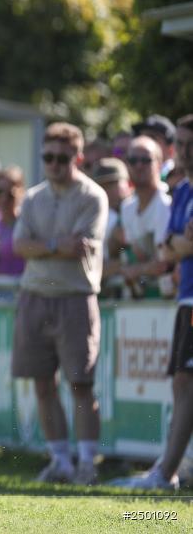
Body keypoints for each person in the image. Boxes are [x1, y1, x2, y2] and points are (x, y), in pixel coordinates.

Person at [11, 122, 108, 485]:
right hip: (34, 296)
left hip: (75, 298)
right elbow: (21, 245)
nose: (53, 164)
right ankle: (60, 460)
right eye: (47, 157)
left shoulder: (93, 196)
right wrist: (54, 246)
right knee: (41, 383)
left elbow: (79, 245)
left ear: (77, 158)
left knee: (81, 382)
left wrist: (45, 245)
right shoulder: (34, 197)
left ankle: (86, 461)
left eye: (61, 158)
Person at [115, 114, 193, 490]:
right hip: (184, 299)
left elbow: (173, 250)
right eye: (182, 145)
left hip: (186, 298)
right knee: (182, 383)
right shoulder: (183, 192)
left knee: (185, 382)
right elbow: (169, 246)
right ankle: (168, 470)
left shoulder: (174, 195)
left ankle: (166, 472)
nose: (186, 153)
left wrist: (178, 247)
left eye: (191, 144)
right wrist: (180, 245)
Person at [117, 136, 171, 298]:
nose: (139, 165)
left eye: (146, 160)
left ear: (159, 164)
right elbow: (140, 256)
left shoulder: (167, 203)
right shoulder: (127, 207)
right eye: (133, 160)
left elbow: (163, 263)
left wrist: (135, 270)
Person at [133, 114, 181, 189]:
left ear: (171, 149)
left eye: (152, 138)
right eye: (142, 137)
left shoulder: (180, 177)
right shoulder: (134, 173)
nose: (145, 142)